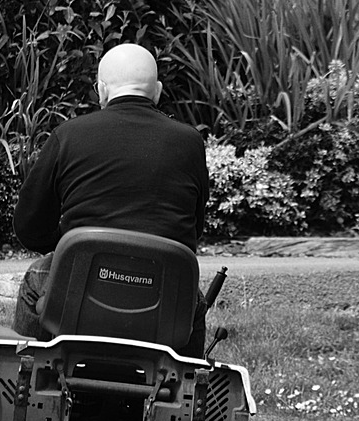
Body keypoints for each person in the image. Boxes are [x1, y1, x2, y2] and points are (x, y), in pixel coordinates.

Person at [11, 42, 210, 356]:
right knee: (192, 299)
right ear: (156, 91)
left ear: (101, 90)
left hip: (81, 277)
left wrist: (69, 244)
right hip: (161, 287)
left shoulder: (69, 135)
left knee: (37, 276)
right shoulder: (189, 142)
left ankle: (26, 371)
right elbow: (193, 230)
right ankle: (188, 383)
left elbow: (28, 227)